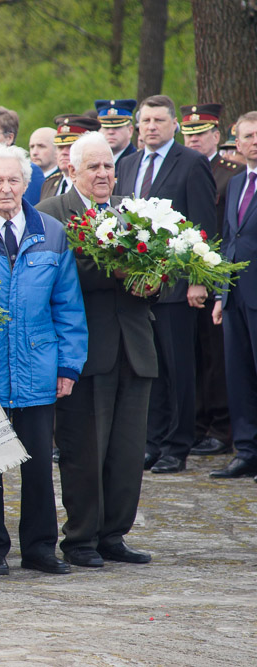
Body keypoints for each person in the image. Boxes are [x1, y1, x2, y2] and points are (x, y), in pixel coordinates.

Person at [0, 144, 87, 576]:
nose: (5, 188)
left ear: (27, 183)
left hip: (38, 364)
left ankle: (39, 548)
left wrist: (68, 366)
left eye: (13, 179)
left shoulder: (51, 231)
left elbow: (67, 307)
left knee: (36, 466)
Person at [37, 131, 157, 567]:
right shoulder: (52, 214)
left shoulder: (134, 213)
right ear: (71, 170)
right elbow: (55, 280)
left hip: (135, 346)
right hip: (85, 350)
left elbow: (152, 274)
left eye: (109, 166)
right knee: (84, 449)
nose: (104, 174)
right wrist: (125, 269)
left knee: (127, 451)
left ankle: (114, 535)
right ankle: (81, 538)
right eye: (94, 167)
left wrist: (156, 277)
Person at [115, 95, 217, 475]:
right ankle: (152, 441)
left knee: (178, 368)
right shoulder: (126, 164)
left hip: (176, 285)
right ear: (137, 126)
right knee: (147, 367)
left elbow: (205, 225)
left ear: (174, 124)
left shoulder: (191, 163)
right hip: (138, 285)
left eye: (159, 120)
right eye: (146, 121)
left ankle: (177, 445)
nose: (152, 127)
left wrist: (198, 281)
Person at [181, 103, 242, 457]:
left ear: (216, 137)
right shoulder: (183, 167)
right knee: (196, 354)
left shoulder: (228, 172)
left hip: (217, 272)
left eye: (200, 134)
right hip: (189, 270)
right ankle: (199, 423)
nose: (194, 140)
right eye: (188, 134)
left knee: (215, 354)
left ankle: (221, 427)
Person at [212, 111, 257, 480]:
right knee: (239, 375)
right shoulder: (237, 182)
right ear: (237, 144)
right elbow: (230, 239)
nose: (254, 141)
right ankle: (246, 450)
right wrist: (218, 294)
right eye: (248, 136)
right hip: (235, 295)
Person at [40, 115, 101, 200]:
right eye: (60, 147)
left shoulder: (97, 185)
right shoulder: (49, 184)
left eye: (71, 147)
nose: (64, 152)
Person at [95, 99, 138, 165]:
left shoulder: (138, 161)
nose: (111, 132)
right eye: (106, 127)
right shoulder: (94, 160)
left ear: (130, 131)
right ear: (99, 130)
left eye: (117, 127)